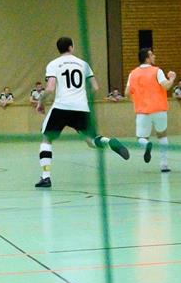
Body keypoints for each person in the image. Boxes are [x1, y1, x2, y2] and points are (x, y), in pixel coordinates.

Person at [35, 37, 129, 188]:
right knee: (91, 141)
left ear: (59, 49)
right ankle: (109, 142)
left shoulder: (53, 64)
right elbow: (95, 87)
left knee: (46, 139)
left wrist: (40, 102)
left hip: (61, 106)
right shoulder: (83, 64)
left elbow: (50, 88)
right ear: (71, 47)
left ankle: (46, 177)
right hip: (81, 107)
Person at [127, 48, 177, 172]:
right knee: (162, 135)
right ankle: (164, 164)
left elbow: (127, 92)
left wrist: (137, 101)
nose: (154, 56)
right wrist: (171, 78)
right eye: (152, 54)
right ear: (147, 57)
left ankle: (146, 144)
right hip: (159, 109)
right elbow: (166, 86)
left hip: (142, 112)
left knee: (141, 138)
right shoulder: (157, 71)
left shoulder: (133, 73)